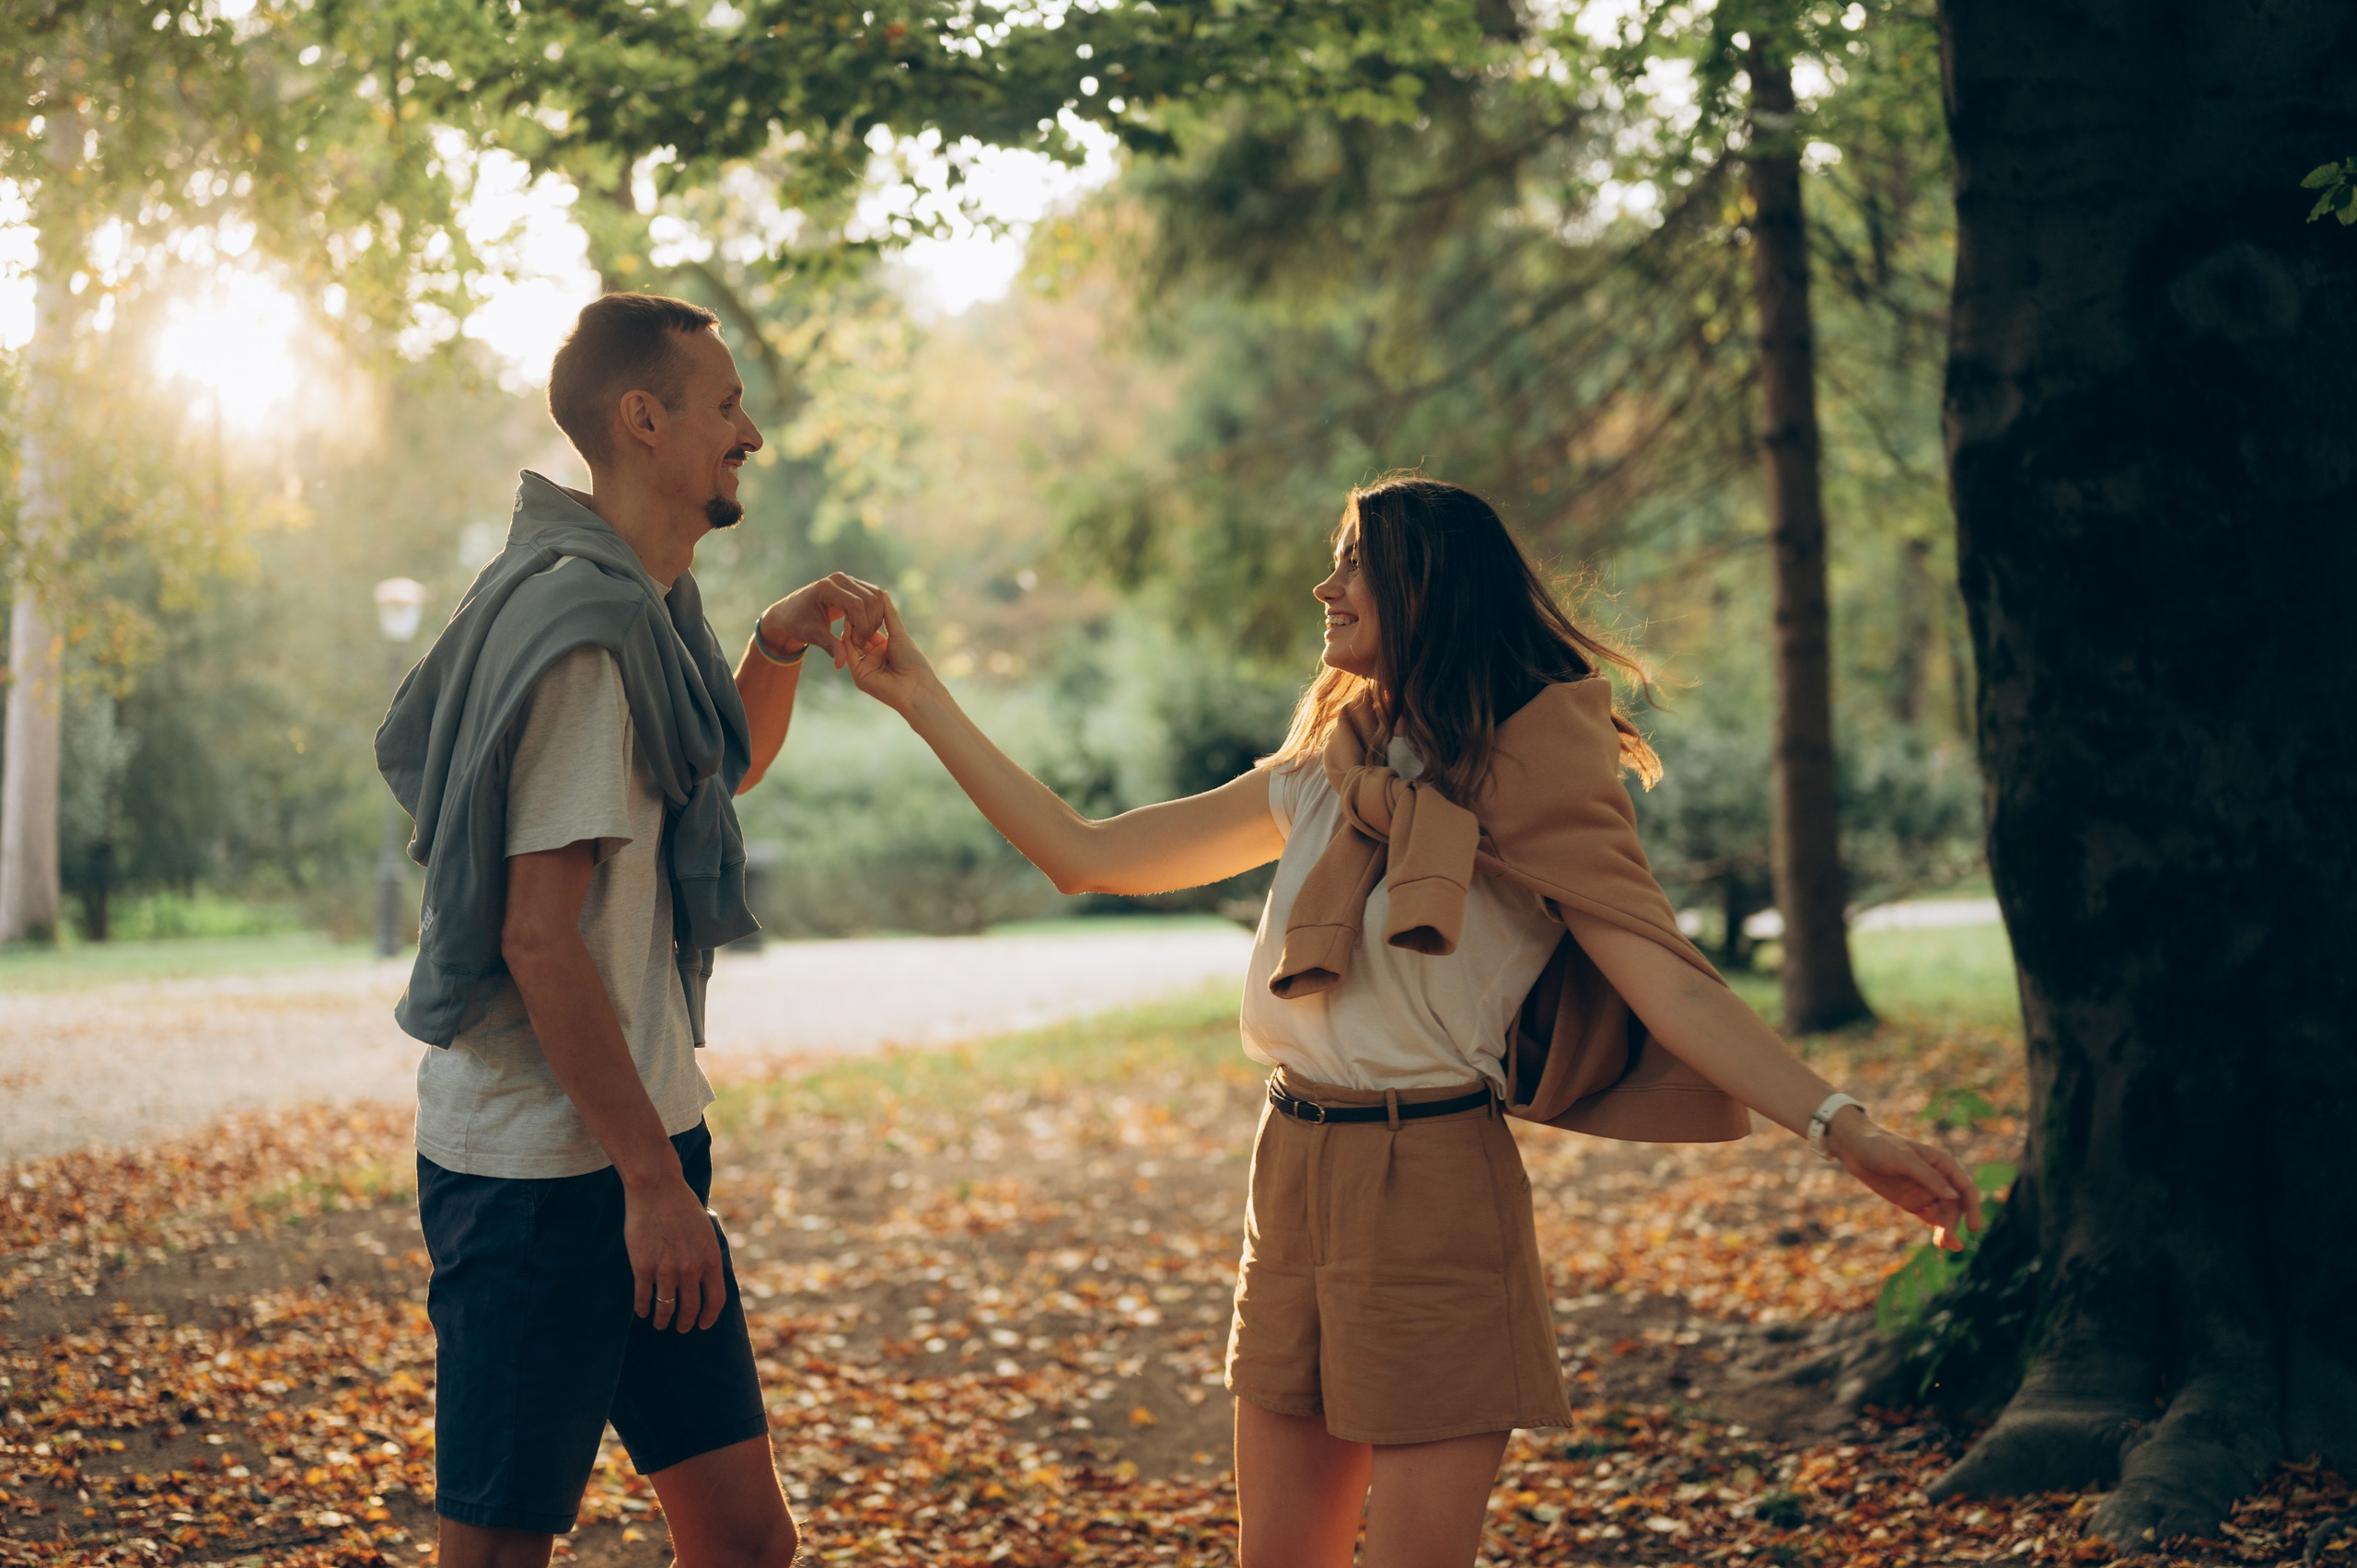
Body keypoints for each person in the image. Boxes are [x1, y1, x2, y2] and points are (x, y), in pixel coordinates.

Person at [840, 475, 1981, 1568]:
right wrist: (919, 692)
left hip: (1433, 1176)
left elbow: (1669, 979)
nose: (1325, 590)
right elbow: (1084, 853)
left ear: (1429, 588)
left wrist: (1842, 1125)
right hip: (1287, 1170)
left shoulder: (1534, 777)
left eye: (1355, 566)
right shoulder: (1320, 775)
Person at [377, 292, 888, 1568]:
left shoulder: (649, 606)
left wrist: (775, 641)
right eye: (725, 406)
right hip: (547, 1185)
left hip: (648, 1149)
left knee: (742, 1537)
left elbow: (717, 769)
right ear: (643, 419)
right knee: (496, 1555)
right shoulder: (584, 639)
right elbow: (536, 938)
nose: (750, 432)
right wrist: (651, 1187)